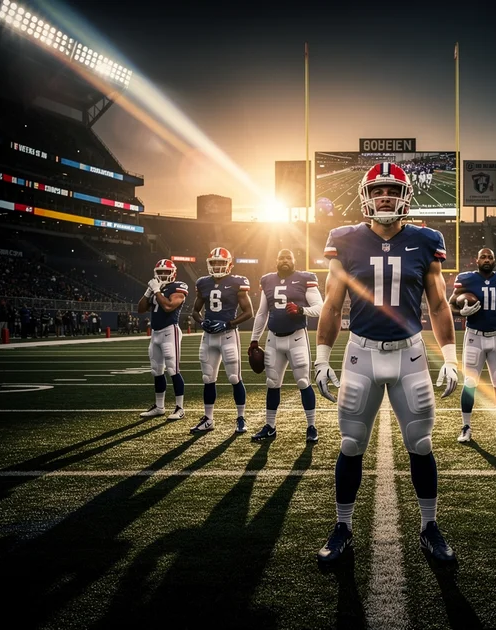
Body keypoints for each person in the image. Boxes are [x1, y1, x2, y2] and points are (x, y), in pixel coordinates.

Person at [315, 162, 458, 565]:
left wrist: (449, 357)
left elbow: (439, 302)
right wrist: (322, 357)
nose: (384, 197)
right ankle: (343, 527)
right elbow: (332, 302)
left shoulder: (426, 239)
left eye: (392, 190)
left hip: (410, 353)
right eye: (378, 190)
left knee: (421, 443)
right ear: (366, 196)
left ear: (405, 195)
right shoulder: (344, 239)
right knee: (351, 444)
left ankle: (429, 527)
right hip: (361, 352)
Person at [248, 249, 324, 442]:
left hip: (297, 337)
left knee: (302, 382)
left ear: (294, 261)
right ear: (276, 260)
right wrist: (254, 339)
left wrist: (301, 310)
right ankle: (270, 427)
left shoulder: (305, 278)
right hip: (273, 338)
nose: (284, 260)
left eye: (288, 258)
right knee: (272, 383)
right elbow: (262, 313)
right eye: (281, 257)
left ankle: (311, 427)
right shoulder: (267, 280)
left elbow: (320, 307)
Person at [449, 247, 496, 443]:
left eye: (490, 257)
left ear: (494, 261)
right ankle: (466, 427)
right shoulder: (467, 278)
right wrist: (460, 313)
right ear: (476, 260)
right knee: (470, 383)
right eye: (483, 257)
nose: (486, 259)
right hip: (475, 336)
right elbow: (451, 303)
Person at [190, 247, 254, 434]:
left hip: (228, 335)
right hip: (209, 336)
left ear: (230, 265)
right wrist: (202, 322)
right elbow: (195, 311)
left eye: (221, 262)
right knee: (207, 378)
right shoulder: (203, 283)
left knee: (234, 377)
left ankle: (241, 418)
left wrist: (228, 324)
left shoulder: (237, 282)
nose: (217, 266)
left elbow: (249, 312)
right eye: (214, 262)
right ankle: (208, 419)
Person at [137, 259, 189, 420]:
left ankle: (180, 408)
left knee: (173, 370)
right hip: (155, 333)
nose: (163, 275)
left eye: (166, 272)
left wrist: (157, 291)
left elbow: (168, 306)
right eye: (160, 273)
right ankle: (159, 407)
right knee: (157, 371)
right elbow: (140, 309)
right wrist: (148, 292)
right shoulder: (154, 288)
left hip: (169, 331)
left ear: (173, 273)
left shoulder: (178, 287)